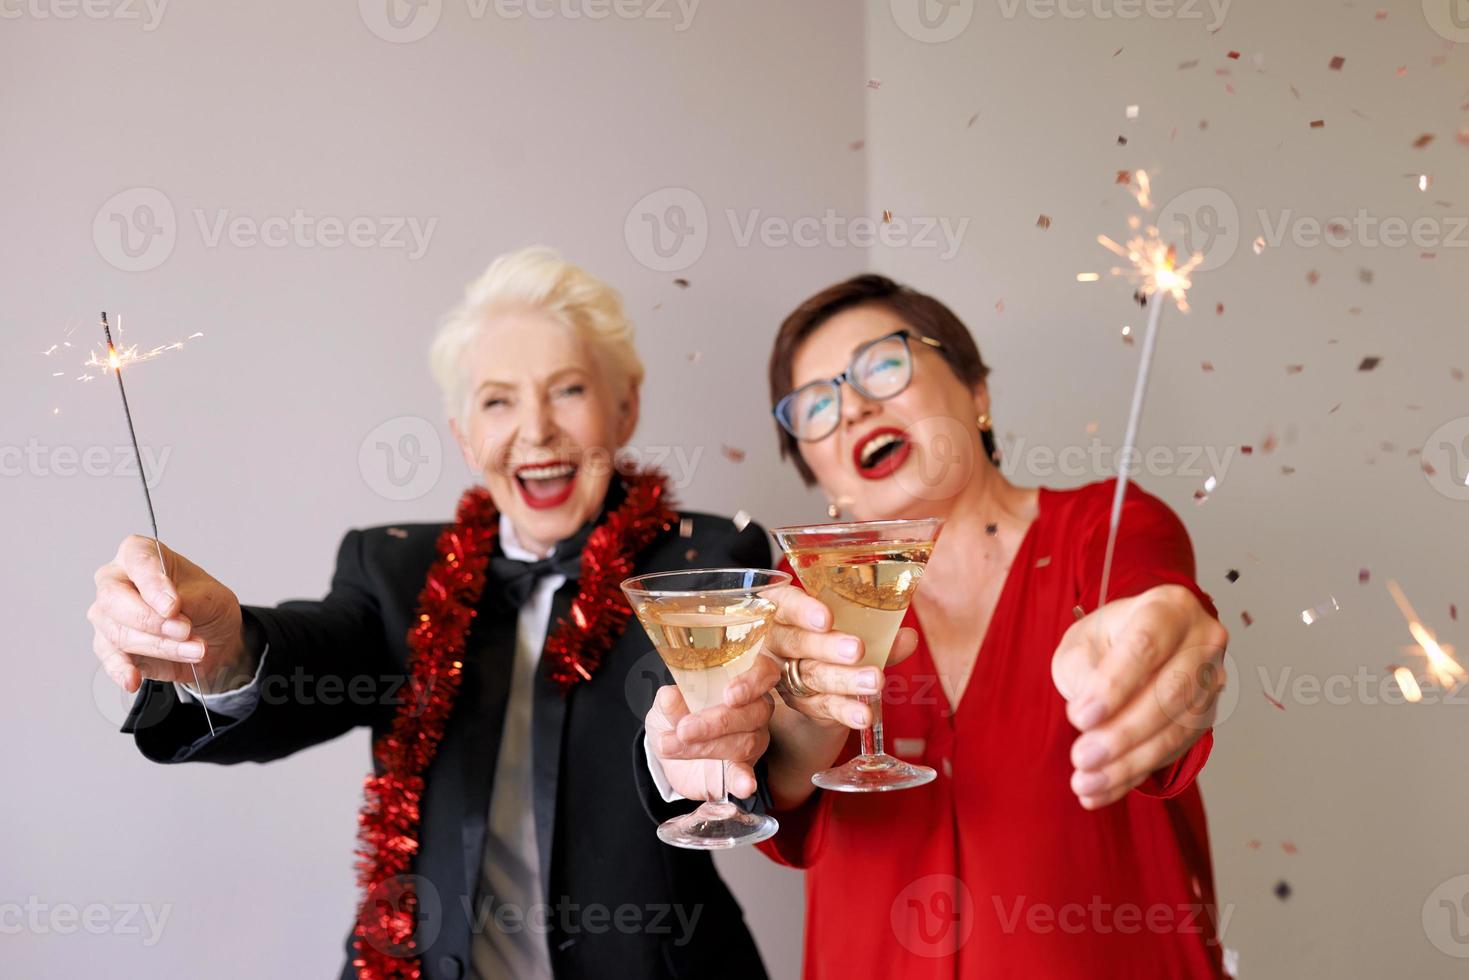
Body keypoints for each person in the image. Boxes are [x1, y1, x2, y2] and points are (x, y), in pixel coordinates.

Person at [87, 247, 774, 980]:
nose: (535, 430)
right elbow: (313, 656)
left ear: (626, 404)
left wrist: (706, 757)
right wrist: (223, 652)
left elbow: (768, 753)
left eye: (568, 390)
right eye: (497, 400)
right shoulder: (396, 570)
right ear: (463, 435)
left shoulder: (709, 562)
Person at [648, 274, 1230, 978]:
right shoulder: (794, 598)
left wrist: (1166, 654)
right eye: (816, 406)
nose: (856, 409)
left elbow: (1160, 613)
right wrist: (752, 748)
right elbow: (769, 780)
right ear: (815, 469)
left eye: (883, 366)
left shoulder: (1103, 529)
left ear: (976, 391)